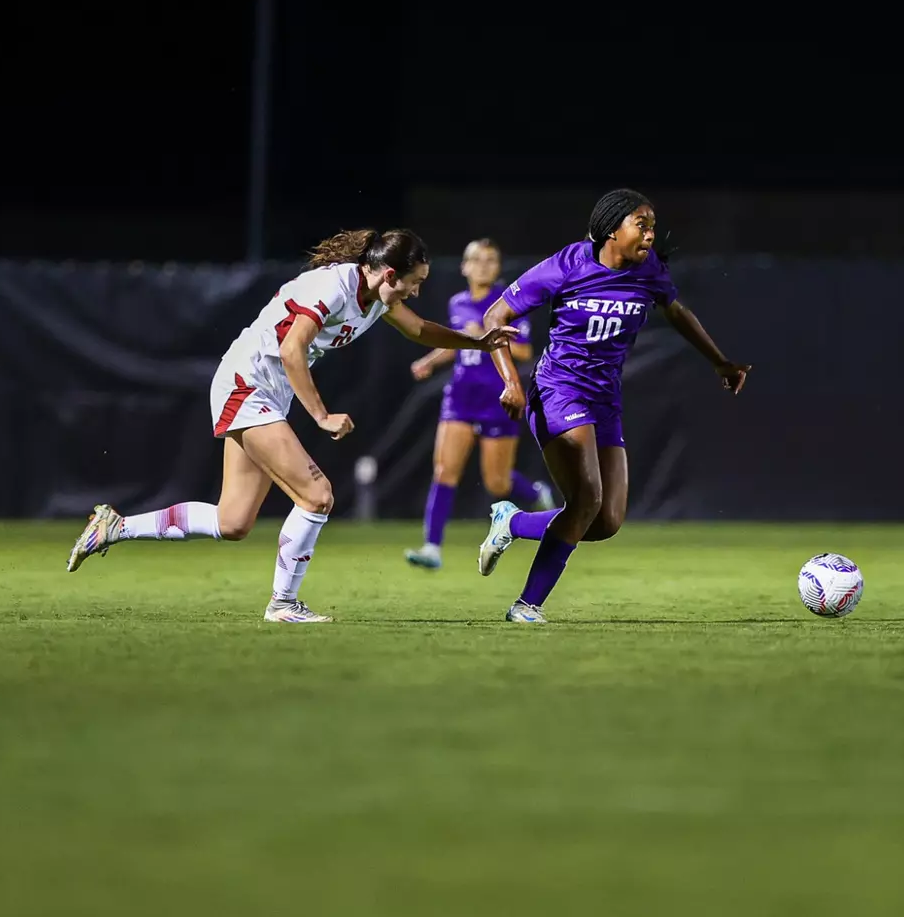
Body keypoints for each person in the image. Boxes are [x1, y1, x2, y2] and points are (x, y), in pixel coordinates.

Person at [64, 228, 518, 623]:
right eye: (414, 283)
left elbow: (419, 330)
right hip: (247, 385)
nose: (415, 293)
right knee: (318, 495)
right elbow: (290, 350)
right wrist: (320, 415)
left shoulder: (377, 298)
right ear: (389, 275)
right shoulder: (336, 285)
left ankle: (115, 527)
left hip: (263, 393)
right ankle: (283, 603)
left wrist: (476, 341)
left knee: (233, 520)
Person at [475, 189, 751, 623]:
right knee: (587, 499)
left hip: (605, 400)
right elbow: (494, 317)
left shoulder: (649, 269)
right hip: (557, 391)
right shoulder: (568, 264)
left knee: (605, 521)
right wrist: (510, 382)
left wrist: (719, 361)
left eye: (653, 226)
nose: (650, 234)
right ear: (611, 230)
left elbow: (676, 311)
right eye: (641, 225)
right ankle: (526, 606)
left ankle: (512, 522)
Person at [403, 238, 556, 570]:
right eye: (476, 260)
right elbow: (456, 343)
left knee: (496, 483)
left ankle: (534, 493)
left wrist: (484, 335)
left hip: (497, 398)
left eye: (490, 260)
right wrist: (430, 361)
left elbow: (524, 351)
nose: (483, 266)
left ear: (498, 267)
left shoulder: (508, 303)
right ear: (464, 267)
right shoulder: (457, 302)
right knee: (445, 471)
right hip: (460, 396)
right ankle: (432, 547)